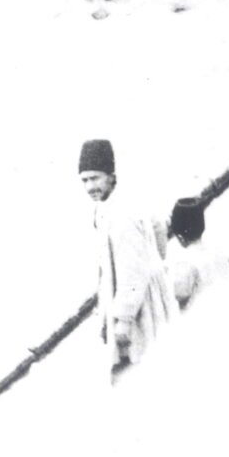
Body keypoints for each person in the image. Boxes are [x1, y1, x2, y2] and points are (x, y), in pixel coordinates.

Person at [79, 139, 174, 381]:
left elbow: (132, 271)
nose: (90, 187)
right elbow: (159, 226)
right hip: (134, 294)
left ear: (111, 176)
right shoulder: (112, 205)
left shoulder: (122, 215)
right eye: (84, 180)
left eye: (95, 178)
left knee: (138, 366)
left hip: (137, 306)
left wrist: (124, 319)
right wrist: (155, 262)